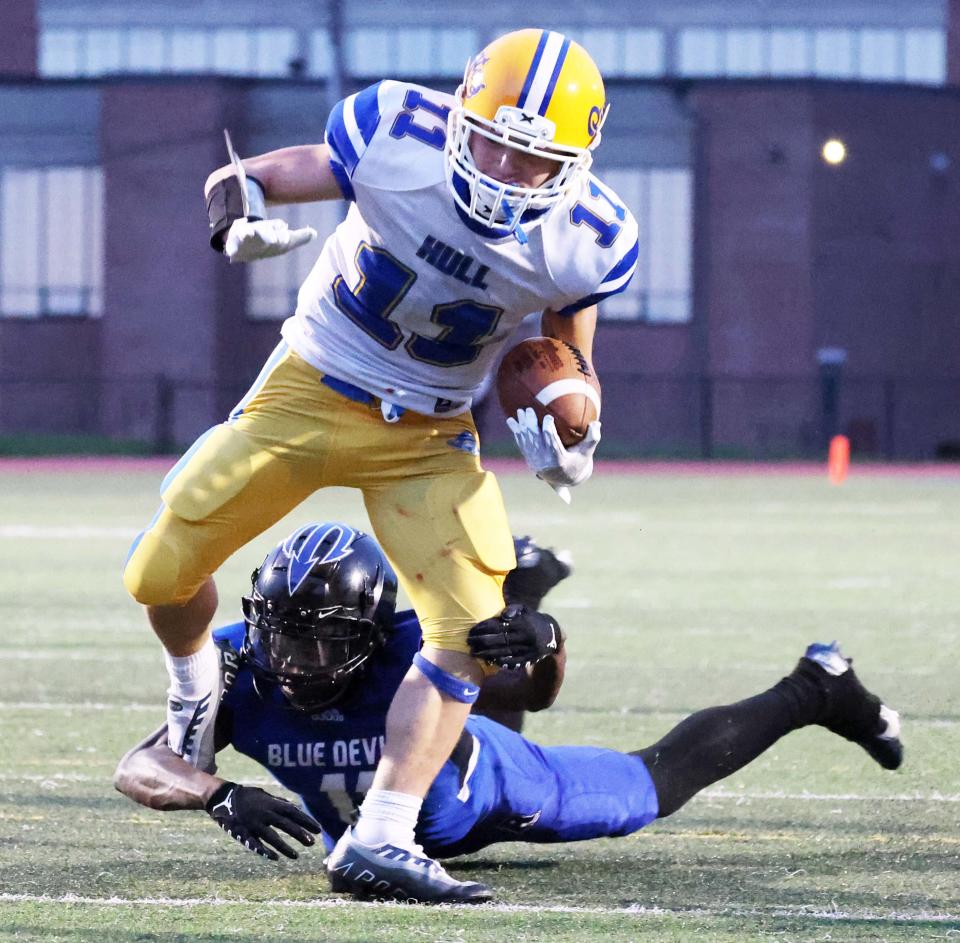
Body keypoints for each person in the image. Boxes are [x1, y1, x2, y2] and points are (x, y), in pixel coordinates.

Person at [121, 27, 639, 902]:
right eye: (492, 144)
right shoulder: (396, 132)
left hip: (429, 431)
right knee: (160, 570)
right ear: (458, 119)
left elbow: (567, 354)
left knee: (473, 630)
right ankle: (193, 698)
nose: (507, 174)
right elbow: (240, 175)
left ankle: (384, 836)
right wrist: (236, 216)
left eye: (533, 160)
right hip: (310, 386)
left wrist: (574, 432)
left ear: (576, 161)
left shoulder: (588, 238)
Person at [115, 523, 904, 904]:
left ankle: (815, 688)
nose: (294, 661)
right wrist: (216, 792)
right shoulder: (238, 665)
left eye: (321, 644)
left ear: (365, 633)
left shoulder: (406, 646)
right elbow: (140, 764)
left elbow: (533, 693)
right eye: (281, 634)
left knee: (647, 789)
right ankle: (516, 594)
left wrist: (546, 644)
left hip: (486, 787)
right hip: (380, 832)